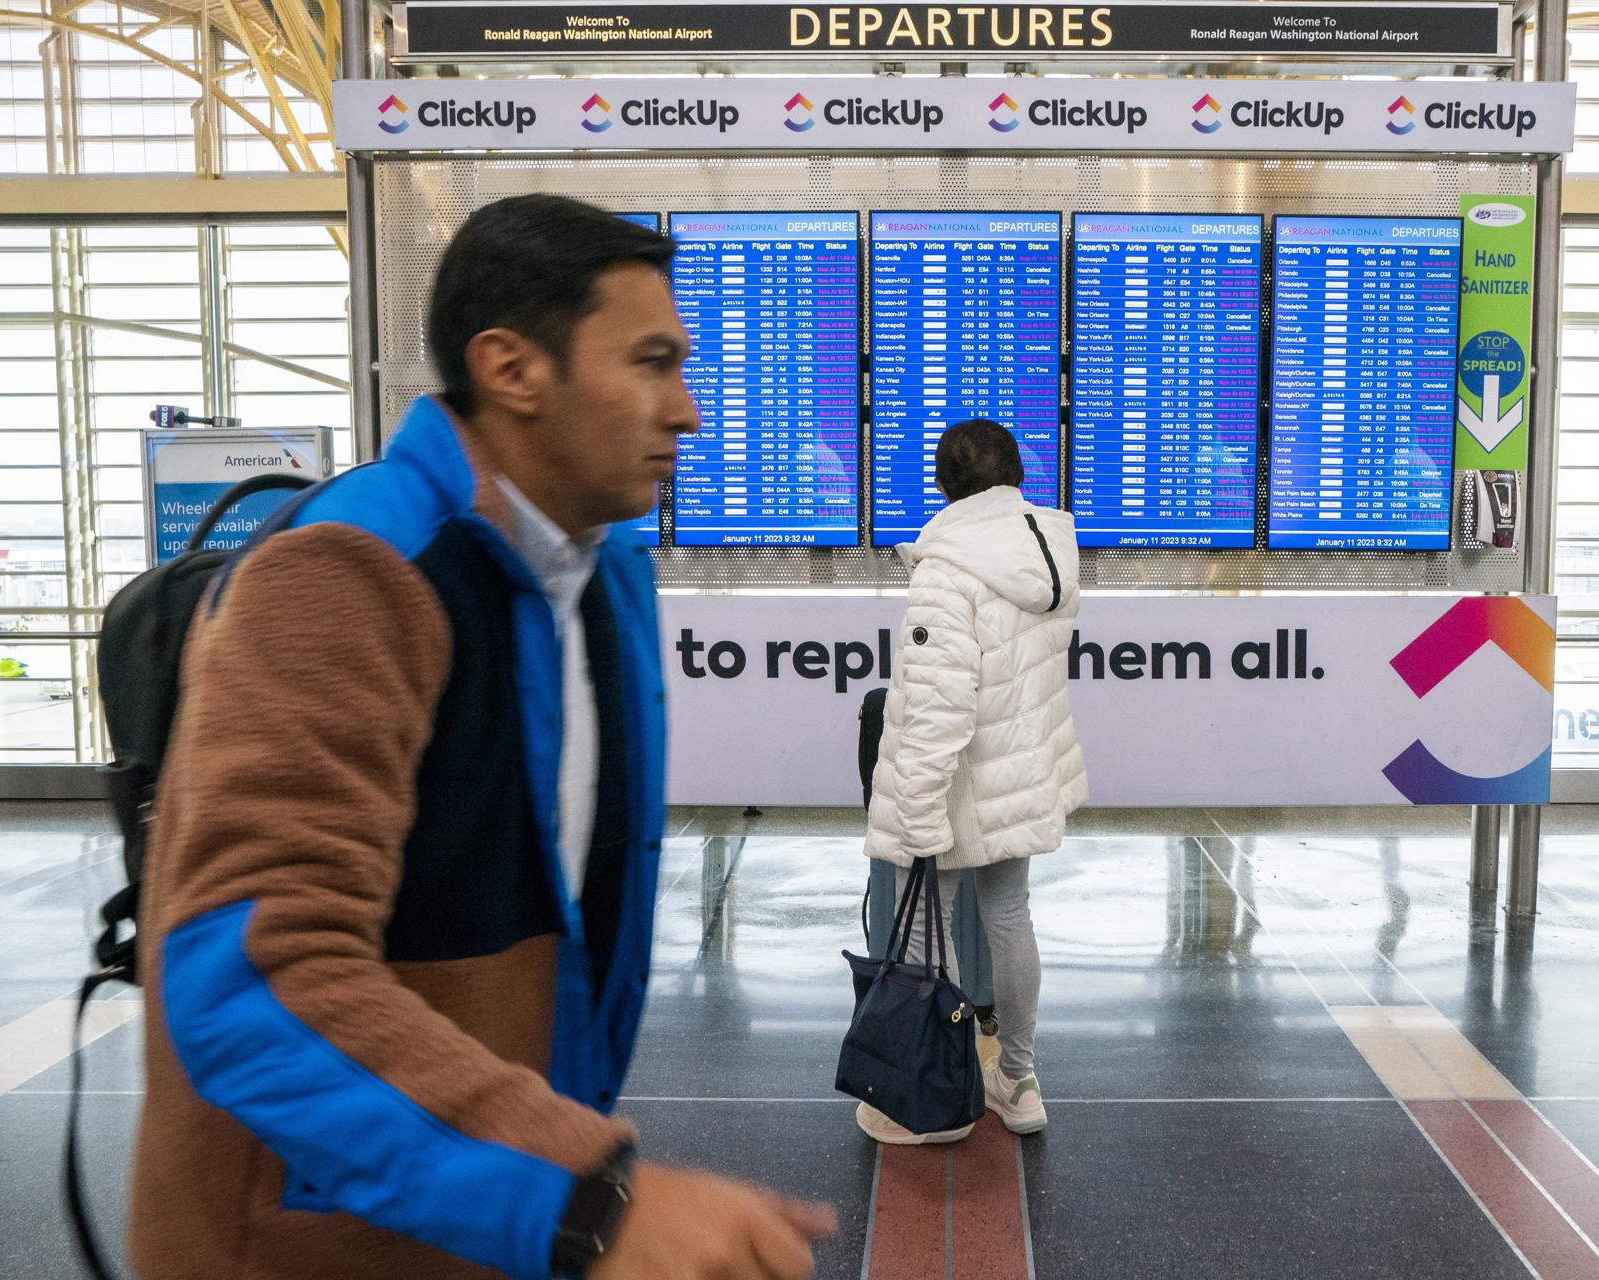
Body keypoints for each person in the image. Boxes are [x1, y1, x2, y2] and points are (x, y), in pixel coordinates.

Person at [129, 194, 834, 1280]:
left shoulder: (600, 578)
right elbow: (253, 973)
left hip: (481, 1223)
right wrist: (582, 1194)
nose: (687, 409)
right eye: (651, 362)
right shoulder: (351, 572)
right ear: (512, 368)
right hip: (314, 1249)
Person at [859, 419, 1088, 1145]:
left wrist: (917, 808)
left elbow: (936, 705)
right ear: (1018, 474)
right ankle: (1017, 1082)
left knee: (930, 923)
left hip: (959, 778)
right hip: (1019, 773)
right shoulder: (1049, 548)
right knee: (1011, 914)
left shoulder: (947, 569)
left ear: (943, 485)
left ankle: (944, 1091)